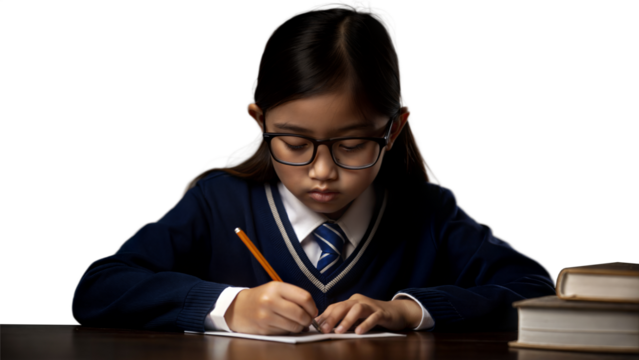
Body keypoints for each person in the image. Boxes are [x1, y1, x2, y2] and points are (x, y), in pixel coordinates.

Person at [70, 0, 556, 335]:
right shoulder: (218, 202)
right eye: (296, 143)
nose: (322, 171)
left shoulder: (426, 212)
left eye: (351, 144)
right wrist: (229, 307)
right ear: (259, 122)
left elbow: (535, 290)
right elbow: (99, 289)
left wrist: (410, 311)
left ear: (392, 130)